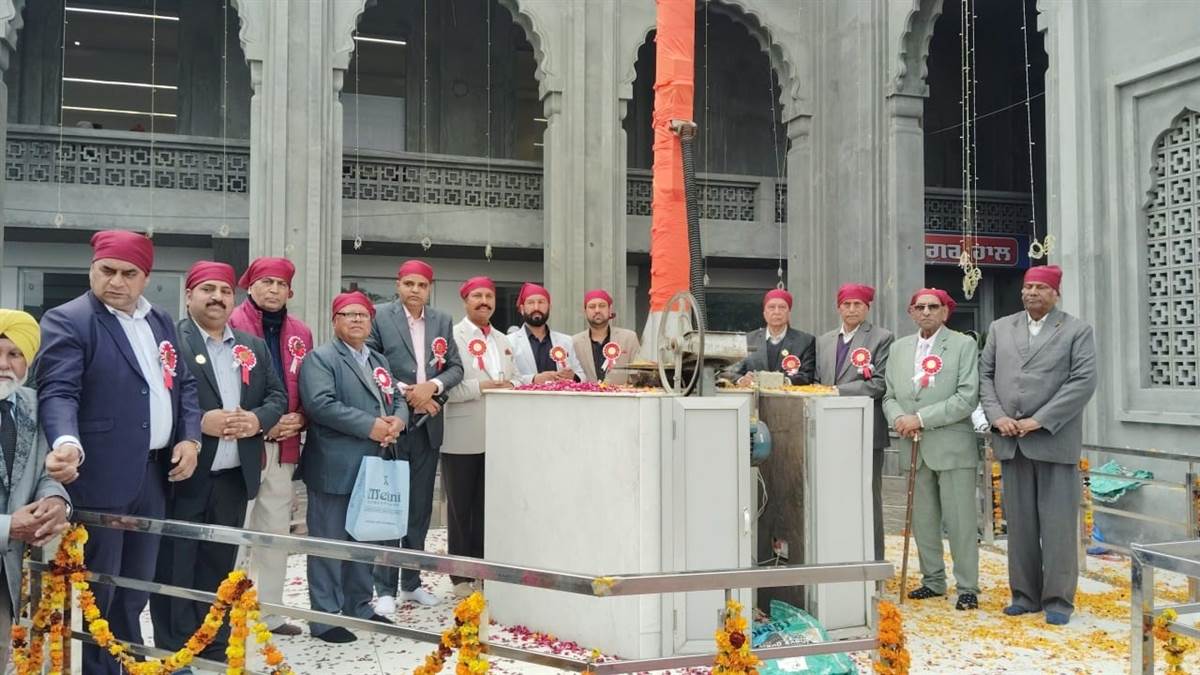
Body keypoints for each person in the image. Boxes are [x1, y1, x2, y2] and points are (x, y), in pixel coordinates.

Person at [37, 230, 202, 675]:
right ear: (91, 269)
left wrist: (190, 438)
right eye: (106, 270)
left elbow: (183, 384)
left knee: (136, 587)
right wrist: (66, 442)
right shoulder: (69, 319)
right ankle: (99, 668)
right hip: (101, 476)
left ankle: (127, 661)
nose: (116, 281)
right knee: (100, 588)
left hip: (155, 477)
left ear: (146, 277)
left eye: (129, 273)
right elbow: (59, 392)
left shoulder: (159, 320)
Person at [151, 261, 287, 659]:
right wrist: (197, 423)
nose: (217, 298)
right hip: (184, 475)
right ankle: (175, 650)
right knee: (176, 564)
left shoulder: (252, 346)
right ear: (189, 295)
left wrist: (256, 420)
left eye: (225, 291)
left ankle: (212, 644)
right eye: (207, 289)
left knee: (219, 563)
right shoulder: (169, 341)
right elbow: (155, 400)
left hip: (233, 476)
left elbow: (277, 396)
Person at [979, 265, 1097, 625]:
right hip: (1011, 440)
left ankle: (1058, 601)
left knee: (1058, 526)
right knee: (1020, 525)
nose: (1032, 292)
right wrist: (997, 416)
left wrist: (1040, 420)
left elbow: (1083, 381)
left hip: (1052, 440)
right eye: (1028, 286)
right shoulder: (1001, 328)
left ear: (1055, 293)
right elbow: (985, 376)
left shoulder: (1076, 330)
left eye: (1041, 288)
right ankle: (1024, 595)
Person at [300, 291, 407, 643]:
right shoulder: (321, 358)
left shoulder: (378, 358)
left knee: (365, 538)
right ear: (335, 321)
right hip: (335, 466)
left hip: (374, 464)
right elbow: (320, 404)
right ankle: (324, 617)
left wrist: (399, 420)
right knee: (329, 543)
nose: (357, 319)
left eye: (363, 314)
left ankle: (358, 605)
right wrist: (370, 426)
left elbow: (397, 397)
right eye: (348, 314)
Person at [367, 260, 464, 611]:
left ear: (429, 289)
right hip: (394, 425)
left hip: (429, 427)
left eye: (422, 285)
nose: (415, 290)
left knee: (420, 509)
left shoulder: (442, 320)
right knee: (390, 506)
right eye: (409, 283)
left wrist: (433, 387)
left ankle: (411, 583)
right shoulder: (380, 317)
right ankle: (384, 588)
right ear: (398, 285)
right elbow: (372, 362)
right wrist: (410, 394)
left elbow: (455, 367)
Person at [228, 256, 314, 635]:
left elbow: (308, 385)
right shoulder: (233, 322)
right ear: (251, 285)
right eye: (267, 282)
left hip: (284, 445)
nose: (274, 290)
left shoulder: (301, 332)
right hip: (240, 444)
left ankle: (271, 613)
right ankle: (225, 612)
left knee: (275, 531)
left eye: (281, 284)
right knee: (235, 528)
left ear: (290, 291)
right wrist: (263, 419)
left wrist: (302, 418)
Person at [882, 288, 980, 610]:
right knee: (922, 520)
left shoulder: (963, 345)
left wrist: (921, 418)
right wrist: (899, 418)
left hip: (952, 446)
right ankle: (933, 580)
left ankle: (967, 586)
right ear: (911, 312)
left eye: (933, 307)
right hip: (912, 446)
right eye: (920, 307)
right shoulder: (899, 348)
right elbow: (889, 395)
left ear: (945, 312)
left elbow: (967, 397)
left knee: (960, 521)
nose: (926, 312)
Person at [0, 310, 72, 672]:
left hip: (8, 571)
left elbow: (48, 469)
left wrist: (56, 500)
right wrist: (6, 526)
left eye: (14, 354)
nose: (4, 364)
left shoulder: (35, 404)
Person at [442, 276, 517, 598]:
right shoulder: (451, 337)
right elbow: (446, 388)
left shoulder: (503, 340)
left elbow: (513, 379)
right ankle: (461, 574)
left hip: (499, 437)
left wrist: (521, 383)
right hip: (461, 434)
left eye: (489, 296)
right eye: (477, 296)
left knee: (489, 507)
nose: (484, 301)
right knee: (461, 507)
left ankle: (485, 570)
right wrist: (483, 387)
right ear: (465, 301)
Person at [815, 283, 893, 560]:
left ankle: (873, 561)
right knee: (833, 495)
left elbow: (879, 384)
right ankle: (836, 556)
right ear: (838, 308)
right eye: (846, 304)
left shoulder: (882, 338)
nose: (851, 309)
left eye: (857, 304)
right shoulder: (824, 341)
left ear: (867, 308)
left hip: (865, 431)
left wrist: (835, 391)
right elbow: (816, 382)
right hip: (829, 431)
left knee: (868, 498)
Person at [726, 288, 816, 385]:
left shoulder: (805, 341)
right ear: (764, 313)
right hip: (754, 394)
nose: (777, 312)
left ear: (789, 313)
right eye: (771, 307)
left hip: (788, 394)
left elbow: (808, 376)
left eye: (782, 307)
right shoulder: (747, 340)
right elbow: (728, 372)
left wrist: (783, 381)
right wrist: (742, 380)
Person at [508, 282, 584, 384]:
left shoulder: (566, 340)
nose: (536, 307)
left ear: (549, 307)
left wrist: (574, 377)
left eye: (541, 302)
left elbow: (582, 375)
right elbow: (507, 378)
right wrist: (533, 379)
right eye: (531, 303)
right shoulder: (509, 342)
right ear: (522, 309)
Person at [571, 288, 640, 384]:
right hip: (587, 393)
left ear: (610, 309)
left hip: (621, 393)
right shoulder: (574, 342)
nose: (597, 310)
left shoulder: (629, 338)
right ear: (585, 311)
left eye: (602, 306)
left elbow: (638, 375)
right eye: (592, 307)